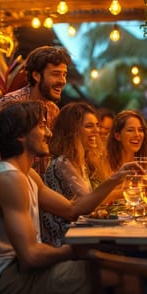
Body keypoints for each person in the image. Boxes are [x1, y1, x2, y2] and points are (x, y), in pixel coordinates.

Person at [0, 101, 141, 293]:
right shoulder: (10, 180)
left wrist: (115, 178)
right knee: (126, 272)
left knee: (117, 267)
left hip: (16, 270)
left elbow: (72, 210)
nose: (49, 133)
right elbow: (31, 256)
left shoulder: (27, 175)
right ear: (21, 136)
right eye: (41, 126)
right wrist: (75, 251)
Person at [0, 46, 71, 174]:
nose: (63, 81)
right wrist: (25, 178)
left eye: (64, 74)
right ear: (36, 75)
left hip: (40, 190)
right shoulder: (10, 104)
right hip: (13, 186)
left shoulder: (53, 110)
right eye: (56, 74)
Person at [40, 102, 115, 247]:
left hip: (82, 237)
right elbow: (88, 203)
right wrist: (118, 181)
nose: (96, 131)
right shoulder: (62, 164)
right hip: (65, 244)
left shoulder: (80, 163)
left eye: (97, 125)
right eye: (89, 126)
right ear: (72, 131)